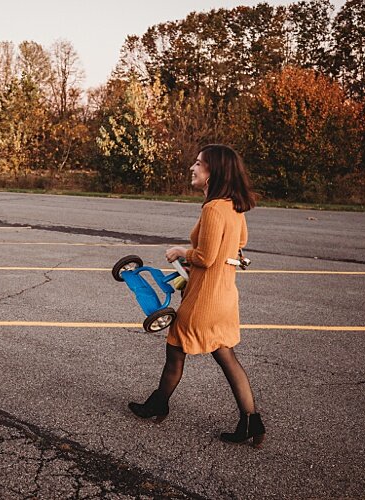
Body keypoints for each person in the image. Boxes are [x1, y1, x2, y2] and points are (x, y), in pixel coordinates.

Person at [127, 144, 266, 448]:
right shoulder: (233, 207)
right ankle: (251, 421)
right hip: (224, 297)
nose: (193, 167)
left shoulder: (214, 208)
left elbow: (205, 256)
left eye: (199, 164)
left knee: (175, 351)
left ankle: (158, 404)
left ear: (212, 172)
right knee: (226, 356)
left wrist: (181, 252)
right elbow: (239, 243)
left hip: (204, 299)